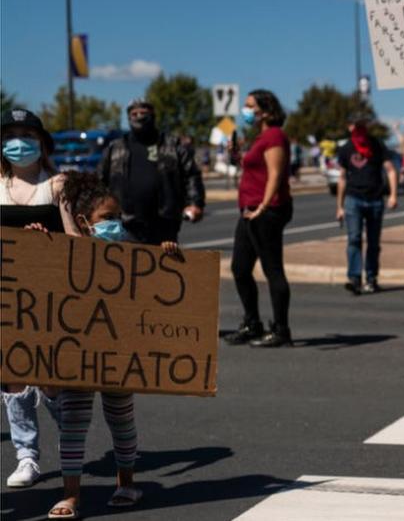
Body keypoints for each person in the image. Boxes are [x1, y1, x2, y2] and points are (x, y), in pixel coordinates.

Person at [42, 170, 183, 519]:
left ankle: (126, 483)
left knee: (121, 420)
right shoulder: (67, 251)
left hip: (118, 352)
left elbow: (154, 286)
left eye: (118, 217)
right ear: (83, 222)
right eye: (107, 218)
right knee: (74, 422)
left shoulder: (130, 252)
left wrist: (167, 255)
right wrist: (37, 238)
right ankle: (71, 495)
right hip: (79, 352)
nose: (115, 224)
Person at [0, 109, 69, 489]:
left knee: (51, 375)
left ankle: (69, 443)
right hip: (7, 295)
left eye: (27, 133)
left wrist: (48, 238)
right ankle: (26, 455)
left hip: (50, 293)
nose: (19, 141)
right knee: (12, 374)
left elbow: (79, 243)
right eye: (11, 134)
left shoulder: (57, 185)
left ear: (42, 142)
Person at [222, 90, 293, 348]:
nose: (246, 110)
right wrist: (237, 156)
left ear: (265, 110)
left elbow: (275, 174)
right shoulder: (260, 137)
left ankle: (281, 329)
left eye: (250, 106)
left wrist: (263, 206)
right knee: (240, 269)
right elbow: (252, 169)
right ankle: (252, 323)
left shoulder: (274, 136)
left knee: (273, 270)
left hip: (267, 211)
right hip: (249, 210)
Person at [98, 99, 204, 244]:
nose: (139, 116)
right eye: (134, 113)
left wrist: (195, 203)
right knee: (128, 265)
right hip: (124, 223)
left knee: (164, 265)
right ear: (128, 117)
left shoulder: (172, 145)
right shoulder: (114, 148)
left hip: (164, 223)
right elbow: (99, 181)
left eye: (143, 112)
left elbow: (191, 174)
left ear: (153, 115)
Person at [336, 114, 398, 295]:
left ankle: (371, 278)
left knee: (373, 242)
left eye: (362, 126)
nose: (359, 130)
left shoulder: (377, 145)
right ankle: (354, 278)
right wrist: (339, 206)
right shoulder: (346, 149)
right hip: (353, 199)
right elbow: (341, 178)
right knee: (354, 238)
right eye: (356, 126)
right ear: (350, 127)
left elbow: (390, 169)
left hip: (375, 199)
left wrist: (393, 194)